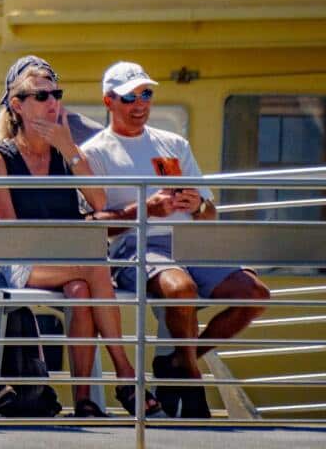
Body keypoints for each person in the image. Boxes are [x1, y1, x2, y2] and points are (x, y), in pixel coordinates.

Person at [82, 61, 270, 418]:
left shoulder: (172, 144)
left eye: (147, 94)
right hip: (136, 248)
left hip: (191, 242)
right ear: (109, 102)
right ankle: (191, 375)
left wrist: (197, 204)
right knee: (181, 289)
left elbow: (209, 212)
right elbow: (90, 225)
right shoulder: (94, 154)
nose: (140, 104)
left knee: (255, 295)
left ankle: (178, 363)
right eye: (130, 97)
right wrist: (145, 210)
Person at [0, 56, 164, 418]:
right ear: (17, 105)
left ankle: (84, 400)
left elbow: (98, 201)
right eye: (41, 95)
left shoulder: (67, 155)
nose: (52, 101)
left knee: (82, 288)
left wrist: (69, 149)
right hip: (22, 262)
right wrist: (60, 249)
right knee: (94, 268)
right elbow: (10, 235)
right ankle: (127, 374)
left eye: (56, 93)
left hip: (70, 263)